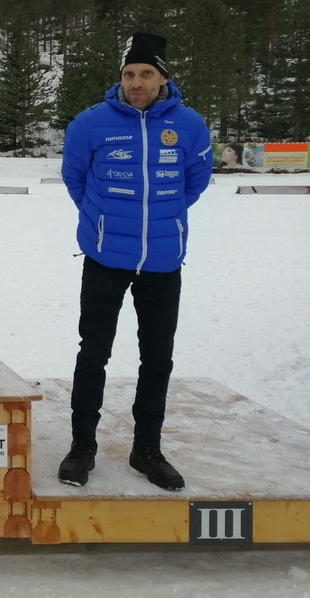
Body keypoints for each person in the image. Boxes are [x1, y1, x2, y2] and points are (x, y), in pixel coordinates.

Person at [59, 32, 212, 491]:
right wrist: (105, 220)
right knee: (93, 353)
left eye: (146, 73)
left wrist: (163, 219)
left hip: (163, 261)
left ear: (163, 77)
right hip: (106, 258)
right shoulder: (90, 123)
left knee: (157, 358)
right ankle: (82, 446)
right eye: (129, 74)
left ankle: (147, 449)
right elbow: (75, 177)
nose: (136, 82)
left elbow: (195, 180)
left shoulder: (189, 125)